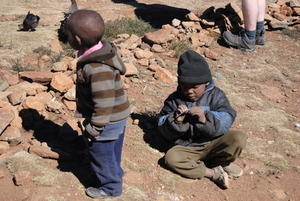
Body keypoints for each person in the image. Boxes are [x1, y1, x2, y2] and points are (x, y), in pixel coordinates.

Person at [158, 50, 247, 189]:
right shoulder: (174, 99)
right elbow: (163, 127)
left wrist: (205, 118)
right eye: (185, 87)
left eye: (194, 87)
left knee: (238, 138)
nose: (189, 91)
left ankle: (222, 162)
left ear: (206, 83)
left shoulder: (217, 95)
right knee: (171, 158)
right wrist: (176, 121)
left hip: (213, 142)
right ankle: (213, 173)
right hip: (187, 147)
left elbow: (227, 118)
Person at [65, 10, 131, 199]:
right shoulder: (102, 50)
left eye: (67, 34)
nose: (66, 36)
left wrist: (95, 127)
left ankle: (110, 187)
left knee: (99, 151)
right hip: (117, 115)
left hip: (107, 119)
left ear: (77, 39)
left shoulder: (96, 67)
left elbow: (104, 101)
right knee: (112, 148)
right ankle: (114, 172)